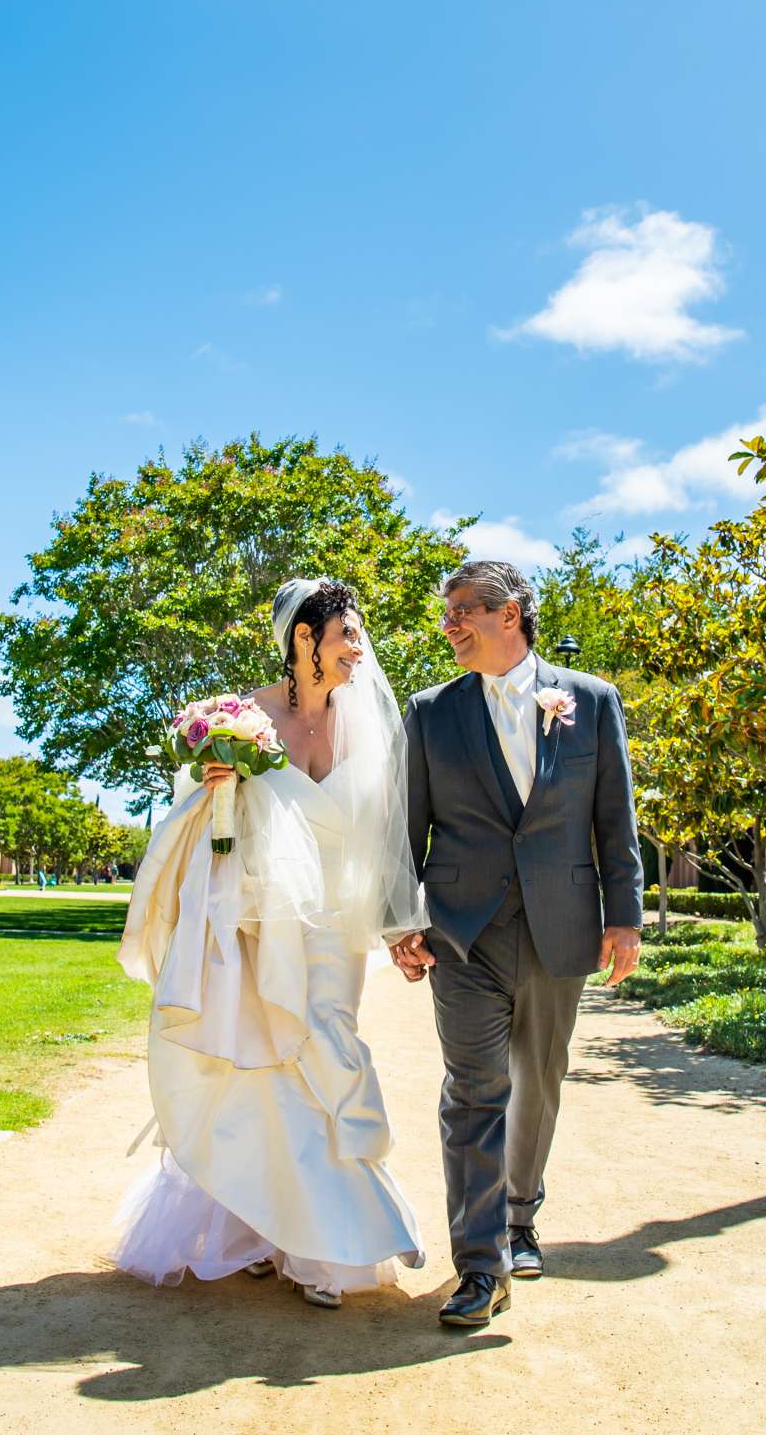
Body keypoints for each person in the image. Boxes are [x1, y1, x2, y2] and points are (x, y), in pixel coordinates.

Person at [113, 579, 428, 1309]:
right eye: (346, 633)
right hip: (264, 925)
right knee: (273, 1067)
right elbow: (200, 817)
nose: (359, 649)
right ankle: (305, 1244)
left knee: (331, 1049)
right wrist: (213, 780)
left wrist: (398, 923)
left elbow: (388, 837)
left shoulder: (367, 724)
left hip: (340, 927)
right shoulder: (243, 719)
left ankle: (297, 1227)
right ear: (303, 639)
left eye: (358, 635)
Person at [392, 560, 643, 1329]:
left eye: (464, 610)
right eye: (447, 612)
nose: (450, 626)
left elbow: (614, 816)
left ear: (513, 615)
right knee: (472, 1092)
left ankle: (520, 1217)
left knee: (538, 1079)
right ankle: (480, 1267)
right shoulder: (431, 712)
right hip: (461, 932)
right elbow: (406, 824)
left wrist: (624, 914)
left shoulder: (591, 702)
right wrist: (401, 919)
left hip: (560, 922)